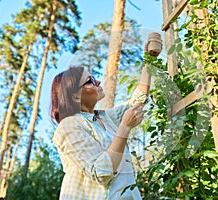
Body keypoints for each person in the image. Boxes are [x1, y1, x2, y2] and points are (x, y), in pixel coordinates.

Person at [50, 41, 161, 199]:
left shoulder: (105, 118)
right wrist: (124, 128)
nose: (98, 82)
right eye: (90, 81)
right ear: (74, 96)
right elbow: (101, 172)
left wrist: (149, 60)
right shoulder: (69, 126)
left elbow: (137, 101)